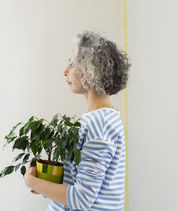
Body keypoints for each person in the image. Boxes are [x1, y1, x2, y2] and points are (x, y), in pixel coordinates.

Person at [23, 31, 131, 210]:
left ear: (91, 70)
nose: (65, 71)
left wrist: (31, 181)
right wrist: (47, 185)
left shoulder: (100, 124)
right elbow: (80, 183)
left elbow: (81, 199)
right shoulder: (100, 119)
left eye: (72, 64)